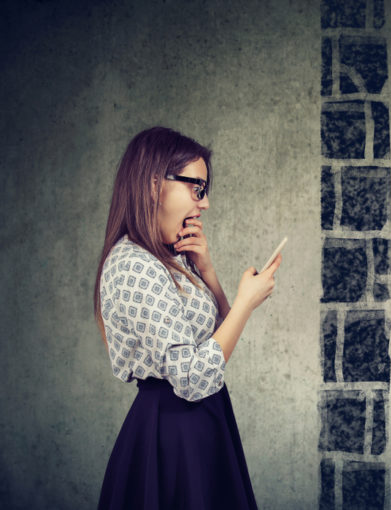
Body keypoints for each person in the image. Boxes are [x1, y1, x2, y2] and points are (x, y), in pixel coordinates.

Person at [94, 126, 280, 510]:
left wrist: (207, 271)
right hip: (171, 434)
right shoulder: (133, 265)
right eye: (197, 188)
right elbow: (194, 378)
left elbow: (218, 341)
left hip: (205, 422)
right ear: (152, 185)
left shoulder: (171, 259)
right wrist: (246, 303)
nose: (205, 203)